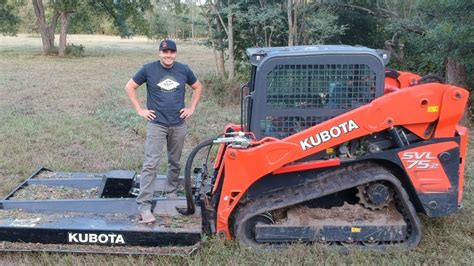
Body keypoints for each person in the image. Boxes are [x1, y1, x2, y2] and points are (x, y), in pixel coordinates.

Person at [125, 39, 202, 224]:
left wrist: (191, 108)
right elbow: (129, 87)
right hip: (157, 124)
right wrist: (140, 110)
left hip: (178, 123)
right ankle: (144, 206)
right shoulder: (148, 69)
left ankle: (171, 190)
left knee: (174, 161)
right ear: (159, 52)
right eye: (165, 52)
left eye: (171, 52)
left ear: (175, 53)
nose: (168, 56)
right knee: (151, 164)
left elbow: (198, 86)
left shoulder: (183, 69)